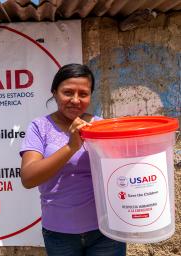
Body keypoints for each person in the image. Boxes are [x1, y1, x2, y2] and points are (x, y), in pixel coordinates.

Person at [20, 63, 126, 256]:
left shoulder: (101, 127)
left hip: (106, 232)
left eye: (83, 94)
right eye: (67, 92)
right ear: (54, 92)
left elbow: (120, 172)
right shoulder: (40, 127)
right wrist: (71, 146)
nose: (75, 100)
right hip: (59, 234)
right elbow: (28, 178)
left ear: (91, 95)